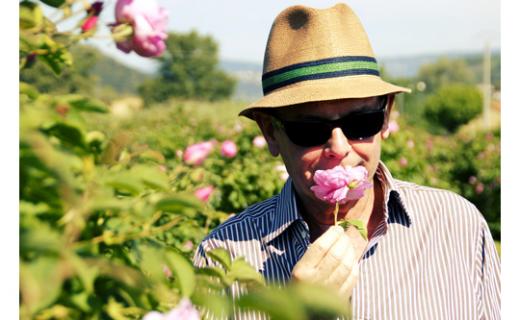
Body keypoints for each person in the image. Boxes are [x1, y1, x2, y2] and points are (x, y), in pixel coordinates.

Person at [194, 3, 500, 319]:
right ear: (271, 132)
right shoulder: (224, 255)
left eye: (361, 122)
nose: (338, 147)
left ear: (386, 117)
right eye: (309, 129)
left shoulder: (456, 228)